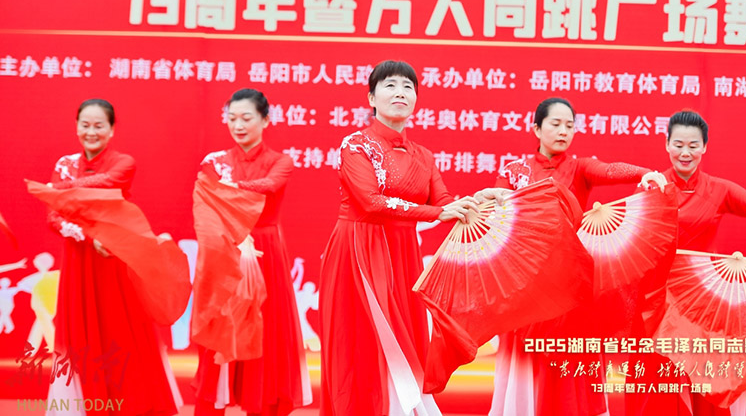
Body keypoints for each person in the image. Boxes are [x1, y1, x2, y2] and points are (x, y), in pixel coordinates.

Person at [484, 97, 667, 416]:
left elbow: (609, 169)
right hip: (526, 282)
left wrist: (646, 173)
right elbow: (496, 210)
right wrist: (495, 199)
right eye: (555, 124)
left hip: (568, 281)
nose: (563, 131)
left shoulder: (580, 167)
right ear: (536, 128)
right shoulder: (514, 171)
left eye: (569, 126)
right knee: (528, 354)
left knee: (568, 353)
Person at [318, 60, 479, 416]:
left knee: (404, 336)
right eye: (390, 85)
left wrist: (476, 201)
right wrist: (437, 213)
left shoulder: (424, 156)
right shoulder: (356, 145)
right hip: (360, 251)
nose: (400, 93)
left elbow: (443, 201)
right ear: (371, 98)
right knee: (365, 340)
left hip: (403, 254)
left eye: (408, 87)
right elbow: (371, 202)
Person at [625, 110, 746, 416]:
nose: (685, 152)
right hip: (657, 301)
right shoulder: (651, 187)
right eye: (678, 144)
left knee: (704, 385)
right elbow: (636, 240)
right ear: (666, 144)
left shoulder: (719, 190)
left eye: (693, 145)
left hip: (702, 308)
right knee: (657, 389)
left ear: (704, 147)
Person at [45, 99, 180, 415]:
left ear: (111, 129)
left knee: (121, 334)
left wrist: (61, 190)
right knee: (79, 336)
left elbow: (104, 188)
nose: (91, 132)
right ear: (76, 126)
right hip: (79, 263)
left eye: (98, 125)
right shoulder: (65, 164)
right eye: (85, 125)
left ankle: (131, 406)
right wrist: (88, 236)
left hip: (115, 262)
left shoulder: (123, 163)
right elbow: (54, 217)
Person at [193, 88, 311, 416]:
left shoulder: (280, 162)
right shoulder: (214, 161)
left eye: (246, 118)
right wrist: (232, 232)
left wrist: (229, 189)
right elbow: (206, 206)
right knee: (219, 332)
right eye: (232, 118)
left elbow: (269, 186)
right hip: (224, 250)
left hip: (265, 253)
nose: (238, 125)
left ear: (265, 120)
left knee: (265, 334)